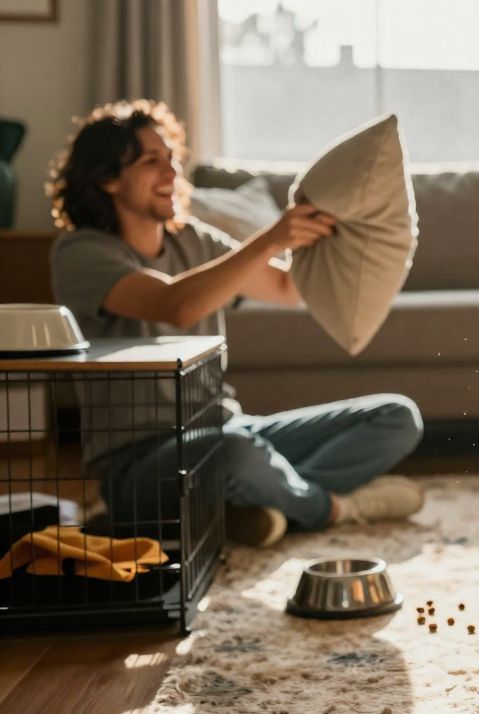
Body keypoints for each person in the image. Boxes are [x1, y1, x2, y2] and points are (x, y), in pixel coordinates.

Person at [48, 99, 425, 548]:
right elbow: (176, 304)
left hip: (230, 428)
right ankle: (330, 509)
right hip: (140, 462)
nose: (171, 174)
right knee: (234, 456)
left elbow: (288, 290)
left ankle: (259, 503)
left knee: (396, 417)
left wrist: (346, 230)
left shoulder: (195, 240)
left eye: (172, 160)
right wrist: (272, 238)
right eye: (152, 161)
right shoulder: (81, 254)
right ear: (108, 178)